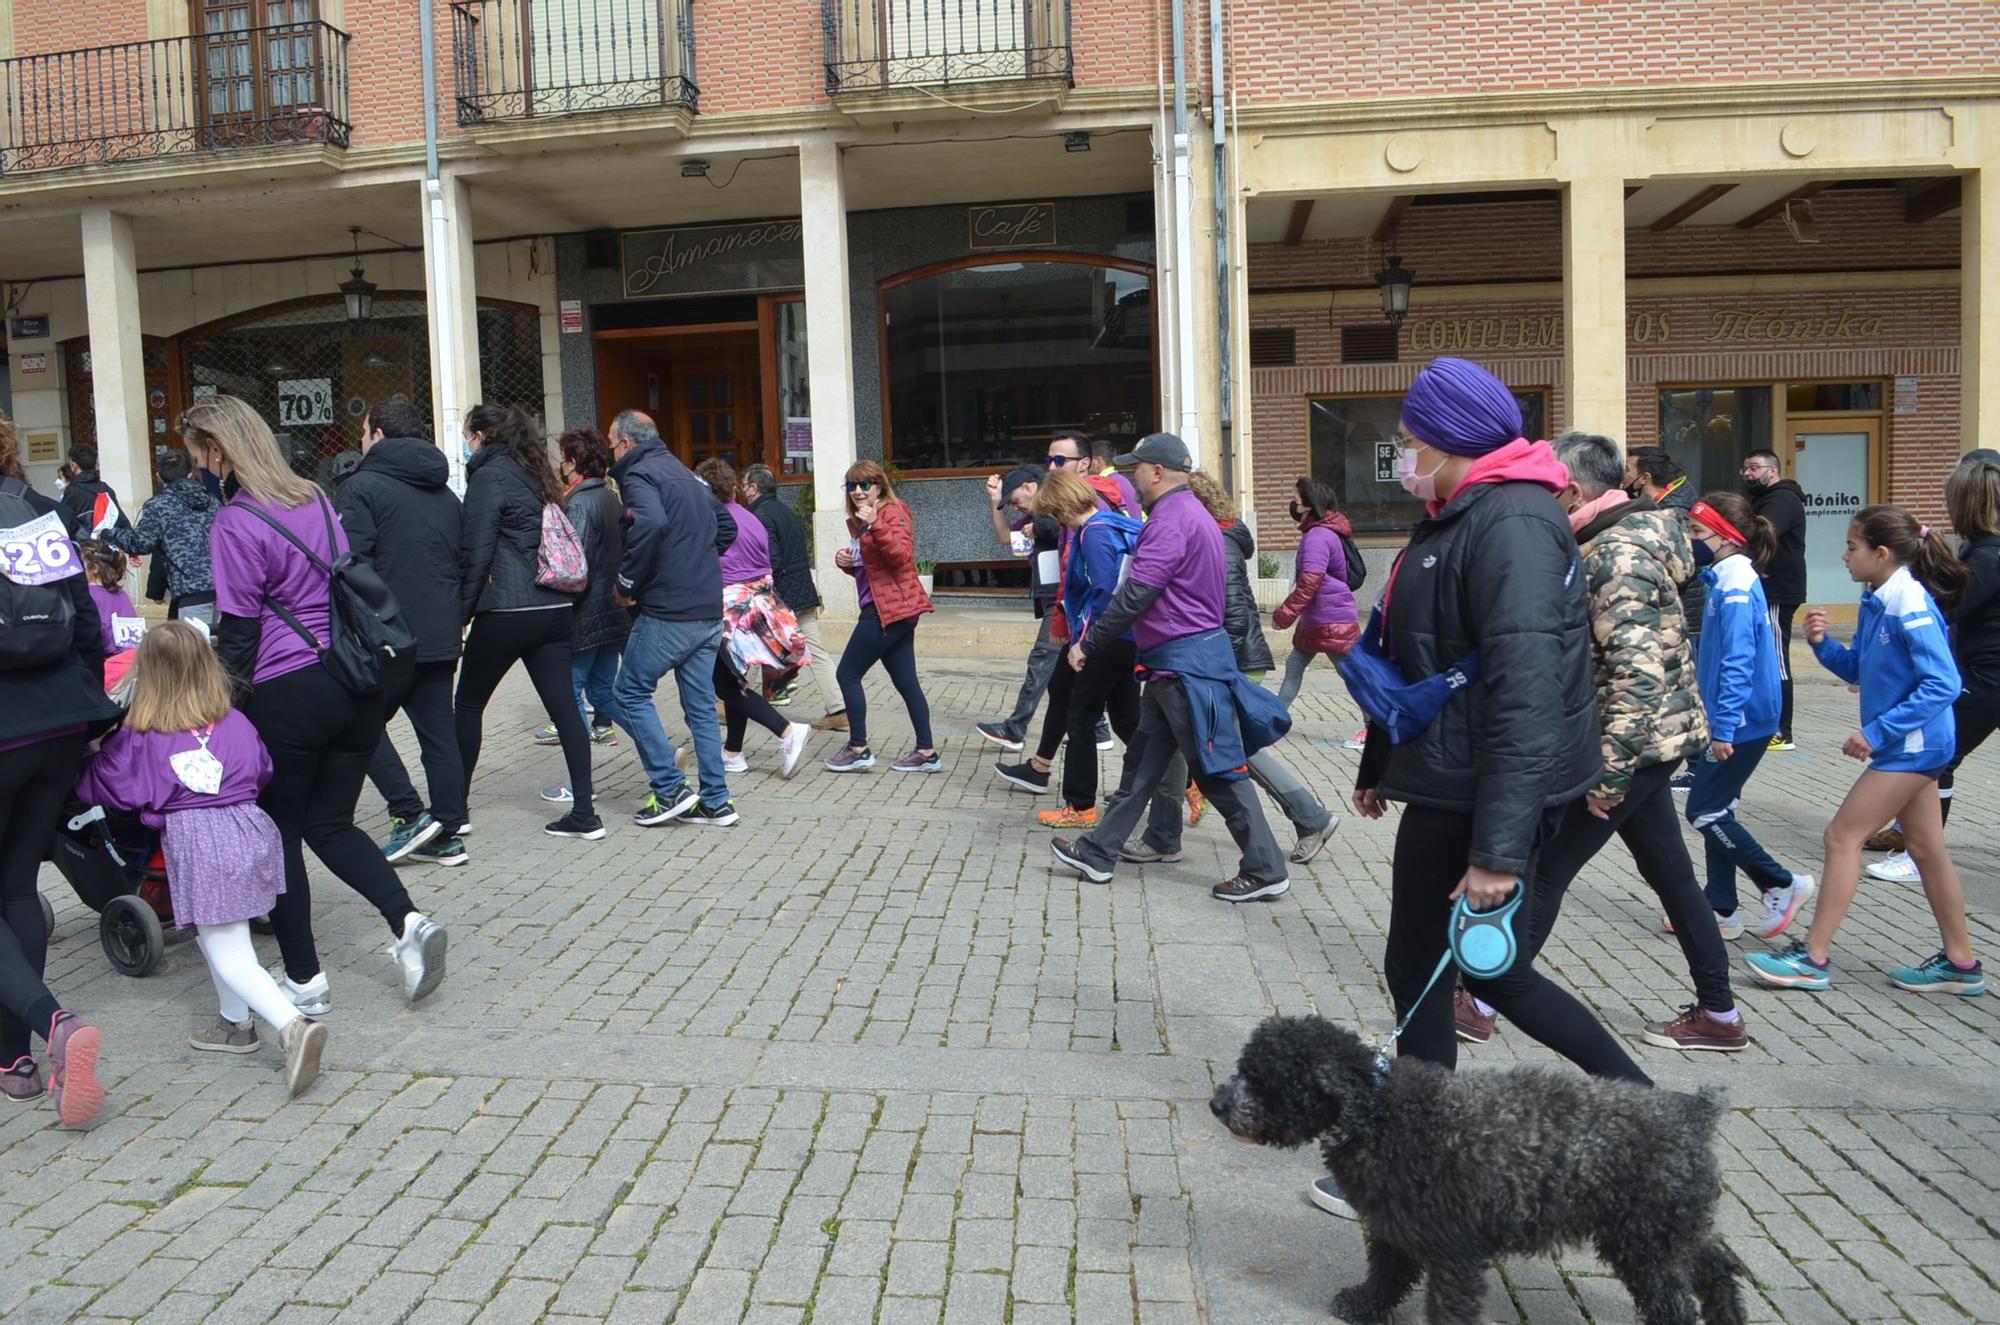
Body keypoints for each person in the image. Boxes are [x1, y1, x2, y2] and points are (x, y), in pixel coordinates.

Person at [1345, 357, 1649, 1193]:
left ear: (1450, 440)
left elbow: (1526, 695)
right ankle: (1642, 1109)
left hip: (1483, 793)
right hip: (1450, 778)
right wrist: (1383, 763)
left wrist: (1498, 853)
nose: (1403, 456)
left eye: (1410, 440)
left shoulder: (1509, 521)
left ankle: (1420, 1157)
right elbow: (1427, 659)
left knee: (1453, 968)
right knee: (1453, 968)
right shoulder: (1463, 511)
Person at [192, 394, 447, 1018]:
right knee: (330, 822)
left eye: (197, 452)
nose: (196, 463)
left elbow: (242, 631)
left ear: (219, 451)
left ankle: (304, 979)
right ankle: (408, 922)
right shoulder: (315, 496)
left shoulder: (235, 522)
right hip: (353, 680)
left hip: (287, 690)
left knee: (281, 833)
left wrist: (217, 703)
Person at [1513, 431, 1743, 1054]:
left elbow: (1637, 676)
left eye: (1546, 488)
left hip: (1631, 744)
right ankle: (1719, 1017)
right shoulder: (1613, 540)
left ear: (1575, 490)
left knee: (1549, 869)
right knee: (1671, 874)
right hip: (1650, 741)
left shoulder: (1616, 555)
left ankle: (1483, 996)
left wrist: (1609, 775)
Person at [75, 623, 329, 1095]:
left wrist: (88, 758)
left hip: (201, 842)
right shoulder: (234, 720)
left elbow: (111, 785)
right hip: (250, 830)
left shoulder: (144, 733)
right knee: (229, 933)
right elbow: (262, 768)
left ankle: (293, 1026)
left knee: (224, 947)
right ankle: (234, 1025)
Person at [1747, 507, 1986, 996]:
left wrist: (1878, 732)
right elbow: (1859, 667)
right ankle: (1961, 965)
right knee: (1925, 849)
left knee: (1841, 837)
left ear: (1881, 554)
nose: (1845, 554)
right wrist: (1819, 644)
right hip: (1915, 744)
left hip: (1914, 746)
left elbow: (1943, 682)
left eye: (1852, 547)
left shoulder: (1908, 602)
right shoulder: (1879, 597)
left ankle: (1813, 958)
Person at [1047, 433, 1291, 902]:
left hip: (1185, 666)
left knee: (1217, 771)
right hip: (1175, 664)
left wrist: (1090, 643)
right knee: (1141, 764)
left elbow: (1137, 592)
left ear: (1157, 472)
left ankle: (1264, 868)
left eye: (1135, 468)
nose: (1129, 476)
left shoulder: (1171, 520)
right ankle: (1099, 852)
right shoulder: (1187, 513)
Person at [0, 413, 117, 1123]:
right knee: (16, 885)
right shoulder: (42, 513)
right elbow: (90, 625)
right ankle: (14, 1055)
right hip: (61, 723)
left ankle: (50, 1025)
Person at [455, 404, 602, 840]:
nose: (467, 443)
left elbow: (476, 552)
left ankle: (453, 810)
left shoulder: (487, 478)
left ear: (481, 436)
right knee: (565, 710)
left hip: (506, 610)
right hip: (553, 607)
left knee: (468, 705)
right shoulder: (537, 474)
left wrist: (461, 614)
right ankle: (584, 812)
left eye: (468, 435)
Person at [1681, 491, 1816, 941]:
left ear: (1724, 536)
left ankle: (1779, 882)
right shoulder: (1725, 575)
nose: (1691, 539)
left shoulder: (1736, 586)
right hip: (1738, 715)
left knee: (1703, 810)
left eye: (1698, 531)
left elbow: (1738, 660)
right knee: (1721, 806)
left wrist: (1723, 725)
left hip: (1742, 719)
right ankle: (1719, 905)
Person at [1188, 471, 1340, 865]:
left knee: (1235, 748)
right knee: (1170, 743)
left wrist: (1219, 663)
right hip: (1224, 656)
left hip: (1230, 657)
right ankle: (1158, 828)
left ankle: (1310, 816)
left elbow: (1231, 614)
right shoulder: (1218, 537)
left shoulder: (1216, 543)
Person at [1866, 456, 2000, 884]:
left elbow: (1947, 608)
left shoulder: (1987, 557)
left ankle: (1919, 851)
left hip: (1986, 676)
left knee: (1939, 756)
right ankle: (1914, 840)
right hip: (1981, 671)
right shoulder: (1981, 551)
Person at [605, 410, 739, 827]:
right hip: (705, 609)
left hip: (669, 611)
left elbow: (650, 523)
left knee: (628, 693)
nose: (611, 452)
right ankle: (716, 801)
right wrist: (693, 558)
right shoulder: (686, 473)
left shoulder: (639, 475)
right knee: (700, 706)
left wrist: (627, 582)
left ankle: (668, 789)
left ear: (626, 444)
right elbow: (726, 528)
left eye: (612, 445)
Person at [1003, 469, 1143, 827]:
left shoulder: (1093, 534)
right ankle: (1180, 780)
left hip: (1103, 640)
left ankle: (1081, 806)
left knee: (1081, 718)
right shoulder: (1111, 522)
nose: (1058, 521)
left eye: (1056, 513)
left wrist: (1084, 642)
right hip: (1122, 639)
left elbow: (1103, 592)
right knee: (1127, 718)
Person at [697, 457, 811, 778]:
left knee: (725, 683)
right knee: (735, 680)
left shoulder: (714, 519)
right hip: (759, 604)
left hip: (729, 607)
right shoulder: (750, 517)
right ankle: (733, 752)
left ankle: (787, 731)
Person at [826, 461, 940, 772]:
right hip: (889, 607)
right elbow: (874, 567)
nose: (859, 491)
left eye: (866, 484)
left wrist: (876, 523)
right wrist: (846, 562)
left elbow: (901, 557)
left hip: (888, 610)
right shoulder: (864, 519)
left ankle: (858, 747)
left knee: (846, 674)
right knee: (906, 682)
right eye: (852, 486)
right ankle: (927, 752)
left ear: (880, 485)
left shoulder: (892, 511)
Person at [539, 427, 629, 805]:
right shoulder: (610, 498)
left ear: (573, 463)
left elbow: (572, 565)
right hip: (611, 612)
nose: (561, 466)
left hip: (584, 615)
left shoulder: (577, 503)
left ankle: (579, 784)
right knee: (606, 693)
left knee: (570, 694)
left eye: (564, 458)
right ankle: (654, 746)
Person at [742, 463, 845, 730]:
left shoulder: (761, 515)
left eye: (744, 486)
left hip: (782, 595)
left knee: (750, 648)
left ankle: (729, 699)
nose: (743, 492)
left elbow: (771, 559)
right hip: (802, 591)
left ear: (754, 488)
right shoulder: (783, 510)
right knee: (817, 651)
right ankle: (838, 707)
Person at [105, 447, 219, 624]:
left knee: (194, 650)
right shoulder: (212, 501)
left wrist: (109, 532)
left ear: (158, 476)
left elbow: (141, 543)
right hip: (225, 590)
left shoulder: (158, 505)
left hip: (191, 593)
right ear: (190, 474)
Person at [1273, 477, 1361, 705]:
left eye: (1297, 500)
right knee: (1294, 666)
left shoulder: (1317, 537)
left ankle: (1372, 725)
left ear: (1309, 505)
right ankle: (1273, 720)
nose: (1294, 505)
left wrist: (1284, 615)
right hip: (1319, 617)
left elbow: (1310, 581)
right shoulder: (1322, 532)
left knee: (1350, 674)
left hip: (1329, 619)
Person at [1744, 449, 1807, 750]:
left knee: (1777, 659)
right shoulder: (1764, 499)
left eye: (1755, 468)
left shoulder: (1782, 499)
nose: (1748, 474)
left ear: (1773, 470)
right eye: (1745, 469)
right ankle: (1767, 723)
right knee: (1765, 656)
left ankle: (1783, 731)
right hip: (1766, 587)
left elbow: (1763, 531)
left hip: (1777, 589)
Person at [1627, 445, 1706, 664]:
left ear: (1644, 478)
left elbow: (1680, 568)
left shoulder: (1673, 513)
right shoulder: (1664, 504)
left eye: (1627, 470)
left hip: (1683, 613)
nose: (1623, 475)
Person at [81, 541, 145, 662]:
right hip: (127, 661)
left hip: (99, 660)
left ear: (94, 568)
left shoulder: (86, 594)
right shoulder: (122, 595)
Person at [57, 442, 129, 537]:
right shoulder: (106, 489)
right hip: (108, 545)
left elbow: (64, 521)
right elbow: (121, 520)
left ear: (73, 465)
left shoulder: (73, 491)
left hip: (87, 547)